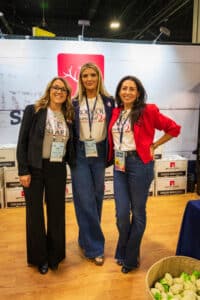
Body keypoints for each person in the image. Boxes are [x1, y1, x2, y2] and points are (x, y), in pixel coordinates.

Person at [107, 75, 181, 273]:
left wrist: (154, 145)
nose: (128, 92)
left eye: (132, 89)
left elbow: (174, 129)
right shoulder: (116, 112)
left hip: (140, 165)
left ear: (138, 93)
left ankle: (130, 257)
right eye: (124, 88)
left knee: (138, 212)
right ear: (119, 92)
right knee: (122, 214)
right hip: (119, 164)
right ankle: (124, 249)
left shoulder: (148, 111)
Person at [16, 77, 75, 274]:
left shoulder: (68, 115)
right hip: (34, 167)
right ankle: (39, 258)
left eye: (63, 89)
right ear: (49, 89)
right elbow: (22, 142)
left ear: (67, 94)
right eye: (56, 87)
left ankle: (55, 255)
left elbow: (70, 145)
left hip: (57, 168)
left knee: (57, 213)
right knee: (35, 214)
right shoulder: (34, 110)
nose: (59, 91)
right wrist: (23, 170)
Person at [70, 62, 114, 265]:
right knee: (84, 198)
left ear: (99, 78)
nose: (89, 79)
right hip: (80, 153)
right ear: (81, 79)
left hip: (100, 151)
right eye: (85, 75)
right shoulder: (74, 103)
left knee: (96, 198)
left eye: (92, 75)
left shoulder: (108, 102)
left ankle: (84, 237)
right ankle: (96, 247)